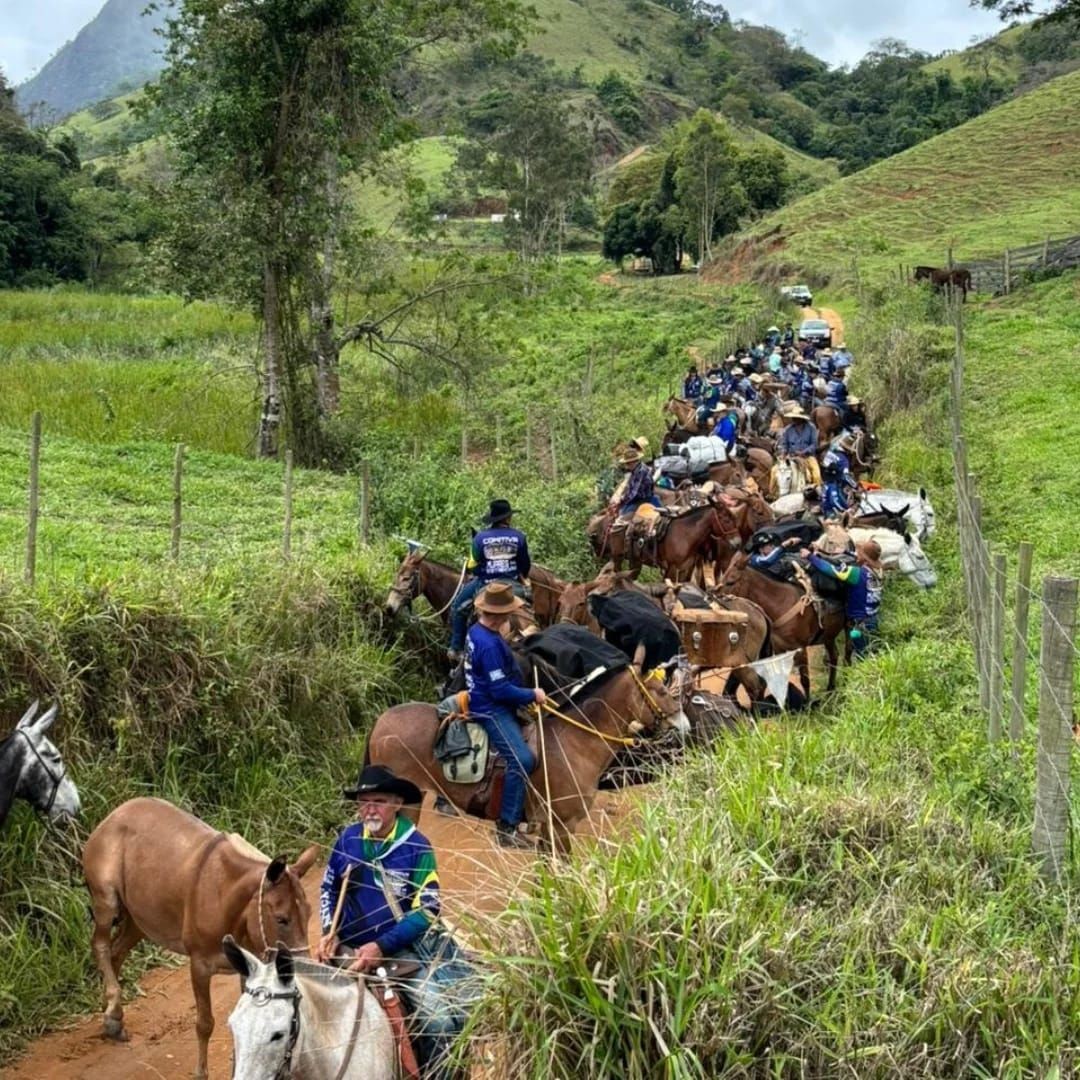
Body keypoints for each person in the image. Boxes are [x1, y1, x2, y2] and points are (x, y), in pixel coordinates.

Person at [316, 765, 477, 1078]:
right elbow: (328, 888)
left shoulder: (417, 846)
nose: (369, 809)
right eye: (363, 802)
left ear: (397, 804)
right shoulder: (346, 840)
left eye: (378, 801)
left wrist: (380, 945)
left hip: (397, 952)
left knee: (439, 1021)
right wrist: (328, 931)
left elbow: (429, 910)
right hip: (345, 948)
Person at [464, 582, 546, 849]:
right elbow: (499, 690)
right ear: (499, 614)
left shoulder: (479, 630)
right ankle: (507, 827)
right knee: (521, 759)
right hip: (490, 709)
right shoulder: (487, 644)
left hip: (492, 700)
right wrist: (531, 695)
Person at [448, 499, 531, 662]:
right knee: (529, 604)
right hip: (511, 583)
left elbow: (472, 565)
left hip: (486, 583)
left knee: (458, 607)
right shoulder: (519, 537)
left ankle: (456, 648)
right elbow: (525, 565)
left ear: (493, 518)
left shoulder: (479, 538)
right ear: (508, 518)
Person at [850, 540, 884, 654]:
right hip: (874, 618)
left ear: (864, 558)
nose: (856, 554)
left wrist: (811, 558)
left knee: (861, 654)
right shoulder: (878, 571)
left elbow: (831, 570)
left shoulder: (858, 573)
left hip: (861, 622)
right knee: (873, 651)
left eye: (859, 552)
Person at [777, 407, 822, 485]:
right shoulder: (788, 430)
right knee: (775, 471)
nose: (794, 419)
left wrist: (804, 452)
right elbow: (784, 444)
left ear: (801, 418)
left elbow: (814, 444)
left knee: (816, 475)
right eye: (793, 417)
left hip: (807, 457)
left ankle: (817, 491)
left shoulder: (811, 428)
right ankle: (773, 494)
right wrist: (783, 453)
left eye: (796, 417)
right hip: (791, 457)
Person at [613, 446, 659, 517]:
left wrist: (622, 500)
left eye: (627, 463)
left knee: (621, 521)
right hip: (642, 498)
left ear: (632, 462)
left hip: (642, 500)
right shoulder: (637, 470)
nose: (626, 466)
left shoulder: (640, 471)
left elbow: (634, 493)